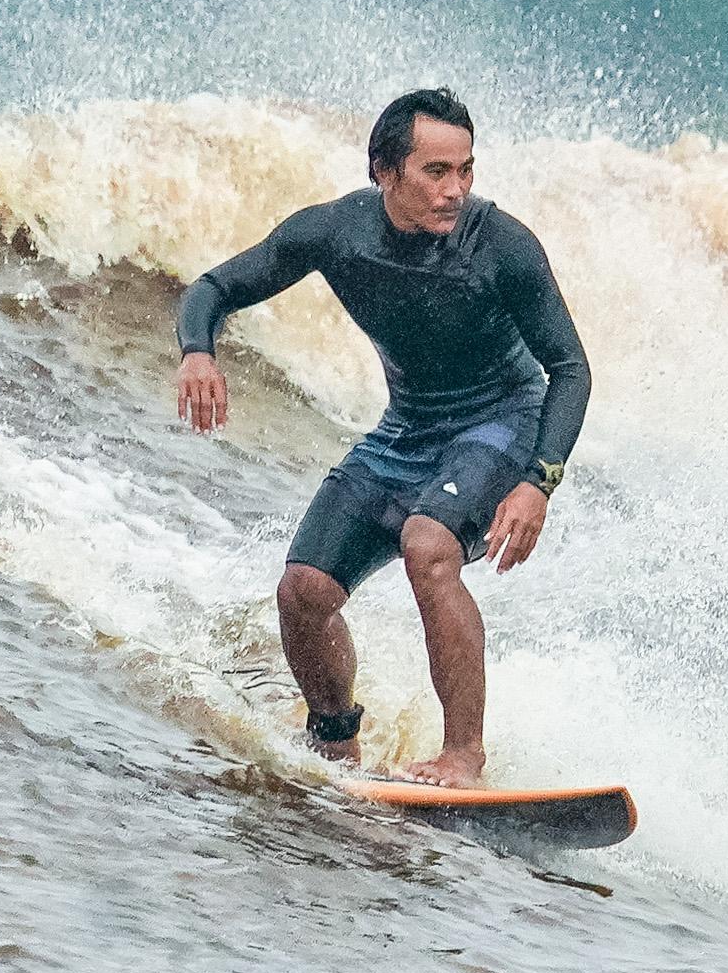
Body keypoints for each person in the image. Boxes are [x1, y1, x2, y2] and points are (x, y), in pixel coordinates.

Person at [170, 87, 591, 784]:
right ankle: (335, 742)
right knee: (302, 589)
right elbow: (215, 286)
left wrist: (538, 479)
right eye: (436, 171)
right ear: (384, 170)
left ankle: (463, 756)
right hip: (408, 430)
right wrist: (197, 349)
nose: (455, 189)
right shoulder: (337, 232)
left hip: (502, 421)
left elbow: (570, 369)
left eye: (466, 170)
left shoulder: (504, 247)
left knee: (429, 544)